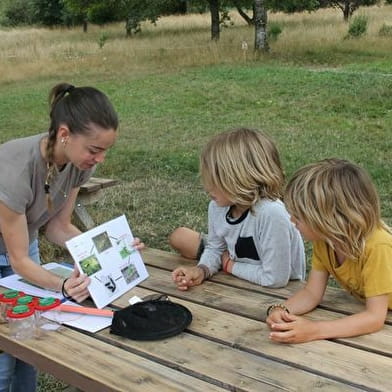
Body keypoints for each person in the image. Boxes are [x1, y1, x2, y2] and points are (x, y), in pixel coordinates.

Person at [0, 82, 144, 392]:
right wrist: (62, 285)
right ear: (64, 134)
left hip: (23, 245)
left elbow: (58, 227)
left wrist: (114, 250)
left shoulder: (77, 165)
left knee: (30, 345)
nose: (100, 159)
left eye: (105, 150)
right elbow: (18, 259)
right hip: (16, 251)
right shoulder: (13, 170)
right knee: (2, 363)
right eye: (95, 150)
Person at [266, 158, 392, 344]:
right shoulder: (325, 241)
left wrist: (314, 330)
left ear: (330, 218)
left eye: (299, 216)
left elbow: (374, 318)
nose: (292, 221)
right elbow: (311, 294)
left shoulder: (378, 247)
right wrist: (280, 309)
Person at [171, 127, 306, 290]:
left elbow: (275, 279)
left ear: (241, 179)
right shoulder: (217, 206)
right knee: (179, 237)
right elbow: (216, 248)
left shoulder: (271, 213)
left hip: (279, 292)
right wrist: (202, 270)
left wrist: (229, 265)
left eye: (215, 180)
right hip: (240, 278)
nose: (206, 186)